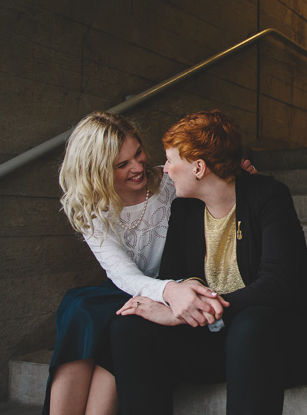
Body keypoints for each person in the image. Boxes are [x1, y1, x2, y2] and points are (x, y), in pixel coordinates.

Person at [111, 109, 307, 415]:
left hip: (279, 340)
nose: (165, 170)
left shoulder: (269, 197)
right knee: (129, 327)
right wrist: (184, 295)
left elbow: (278, 286)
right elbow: (175, 274)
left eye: (170, 160)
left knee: (251, 325)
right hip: (217, 338)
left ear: (198, 167)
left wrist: (187, 313)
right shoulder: (184, 209)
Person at [44, 111, 256, 415]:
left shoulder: (171, 181)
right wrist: (166, 291)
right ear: (97, 171)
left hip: (181, 282)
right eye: (122, 164)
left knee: (118, 324)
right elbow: (123, 274)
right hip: (133, 285)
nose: (137, 166)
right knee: (80, 308)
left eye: (138, 152)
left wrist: (237, 172)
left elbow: (211, 179)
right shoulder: (91, 208)